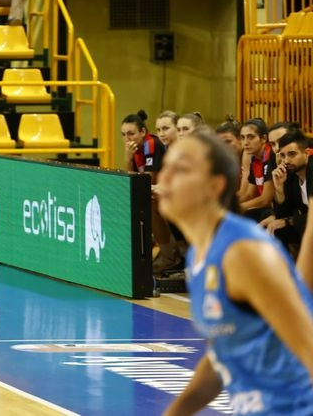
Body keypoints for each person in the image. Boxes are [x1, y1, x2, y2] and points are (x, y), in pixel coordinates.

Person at [157, 132, 313, 416]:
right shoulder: (199, 254)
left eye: (180, 169)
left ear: (214, 186)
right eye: (166, 166)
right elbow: (222, 354)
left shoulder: (243, 253)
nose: (164, 178)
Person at [122, 109, 180, 273]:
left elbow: (147, 181)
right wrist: (128, 159)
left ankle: (171, 254)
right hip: (163, 191)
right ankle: (167, 252)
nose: (127, 139)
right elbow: (132, 182)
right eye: (124, 134)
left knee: (149, 202)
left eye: (131, 133)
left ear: (143, 132)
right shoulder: (135, 151)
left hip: (170, 194)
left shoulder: (150, 144)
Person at [265, 129, 311, 257]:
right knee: (276, 229)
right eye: (283, 155)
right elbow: (282, 214)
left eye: (292, 154)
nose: (286, 160)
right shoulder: (291, 175)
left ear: (306, 153)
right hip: (306, 224)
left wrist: (287, 221)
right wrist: (279, 188)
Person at [239, 117, 276, 221]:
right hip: (267, 209)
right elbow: (250, 194)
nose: (245, 142)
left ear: (264, 138)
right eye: (242, 137)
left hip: (277, 210)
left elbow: (266, 200)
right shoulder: (254, 158)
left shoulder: (271, 155)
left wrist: (237, 208)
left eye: (250, 137)